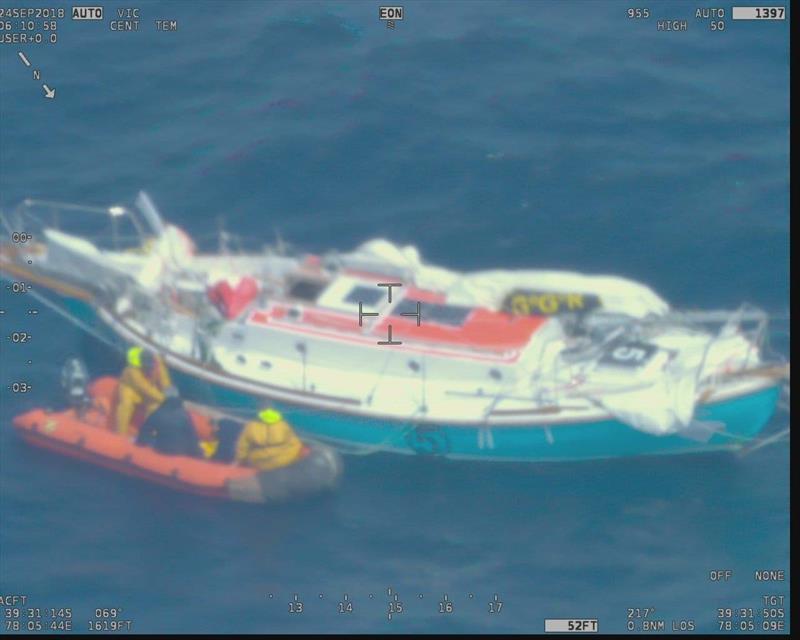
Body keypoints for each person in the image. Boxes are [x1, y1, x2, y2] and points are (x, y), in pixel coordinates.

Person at [115, 346, 176, 436]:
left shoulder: (159, 365)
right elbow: (143, 386)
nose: (148, 369)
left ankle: (147, 435)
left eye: (149, 367)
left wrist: (172, 398)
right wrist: (163, 399)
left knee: (154, 407)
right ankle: (120, 434)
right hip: (130, 387)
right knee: (126, 403)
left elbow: (165, 381)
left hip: (148, 389)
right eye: (146, 367)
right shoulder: (133, 369)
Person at [234, 408, 303, 471]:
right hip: (284, 460)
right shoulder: (283, 425)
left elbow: (242, 446)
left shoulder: (251, 426)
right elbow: (294, 442)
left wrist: (240, 460)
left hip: (260, 462)